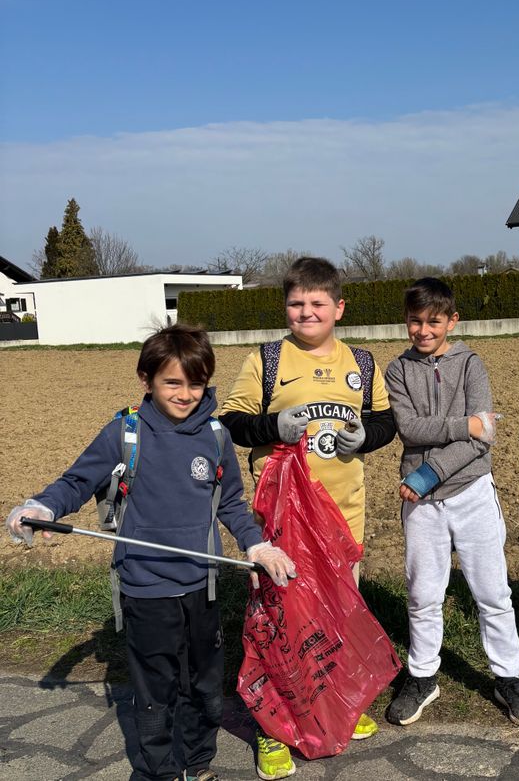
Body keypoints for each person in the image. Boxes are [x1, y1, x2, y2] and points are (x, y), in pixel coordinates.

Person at [5, 324, 296, 781]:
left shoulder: (216, 435)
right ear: (147, 379)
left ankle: (197, 763)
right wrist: (42, 506)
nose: (185, 394)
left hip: (203, 585)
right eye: (172, 382)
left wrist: (256, 544)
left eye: (196, 383)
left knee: (204, 687)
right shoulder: (125, 432)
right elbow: (77, 481)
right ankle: (159, 771)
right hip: (146, 588)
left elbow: (231, 503)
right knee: (155, 693)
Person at [220, 256, 396, 780]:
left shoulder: (361, 362)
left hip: (343, 515)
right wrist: (273, 425)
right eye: (296, 303)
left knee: (338, 613)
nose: (306, 312)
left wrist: (366, 436)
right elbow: (232, 421)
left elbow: (385, 420)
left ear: (339, 308)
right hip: (282, 518)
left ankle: (334, 705)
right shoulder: (266, 360)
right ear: (285, 307)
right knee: (279, 622)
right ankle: (271, 728)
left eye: (318, 303)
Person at [382, 277, 519, 728]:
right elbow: (410, 429)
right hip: (421, 504)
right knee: (422, 594)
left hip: (470, 492)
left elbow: (483, 437)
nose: (423, 330)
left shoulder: (471, 364)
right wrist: (464, 424)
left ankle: (508, 677)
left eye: (433, 321)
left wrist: (429, 472)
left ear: (452, 321)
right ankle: (422, 676)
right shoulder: (397, 370)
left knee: (493, 593)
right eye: (415, 321)